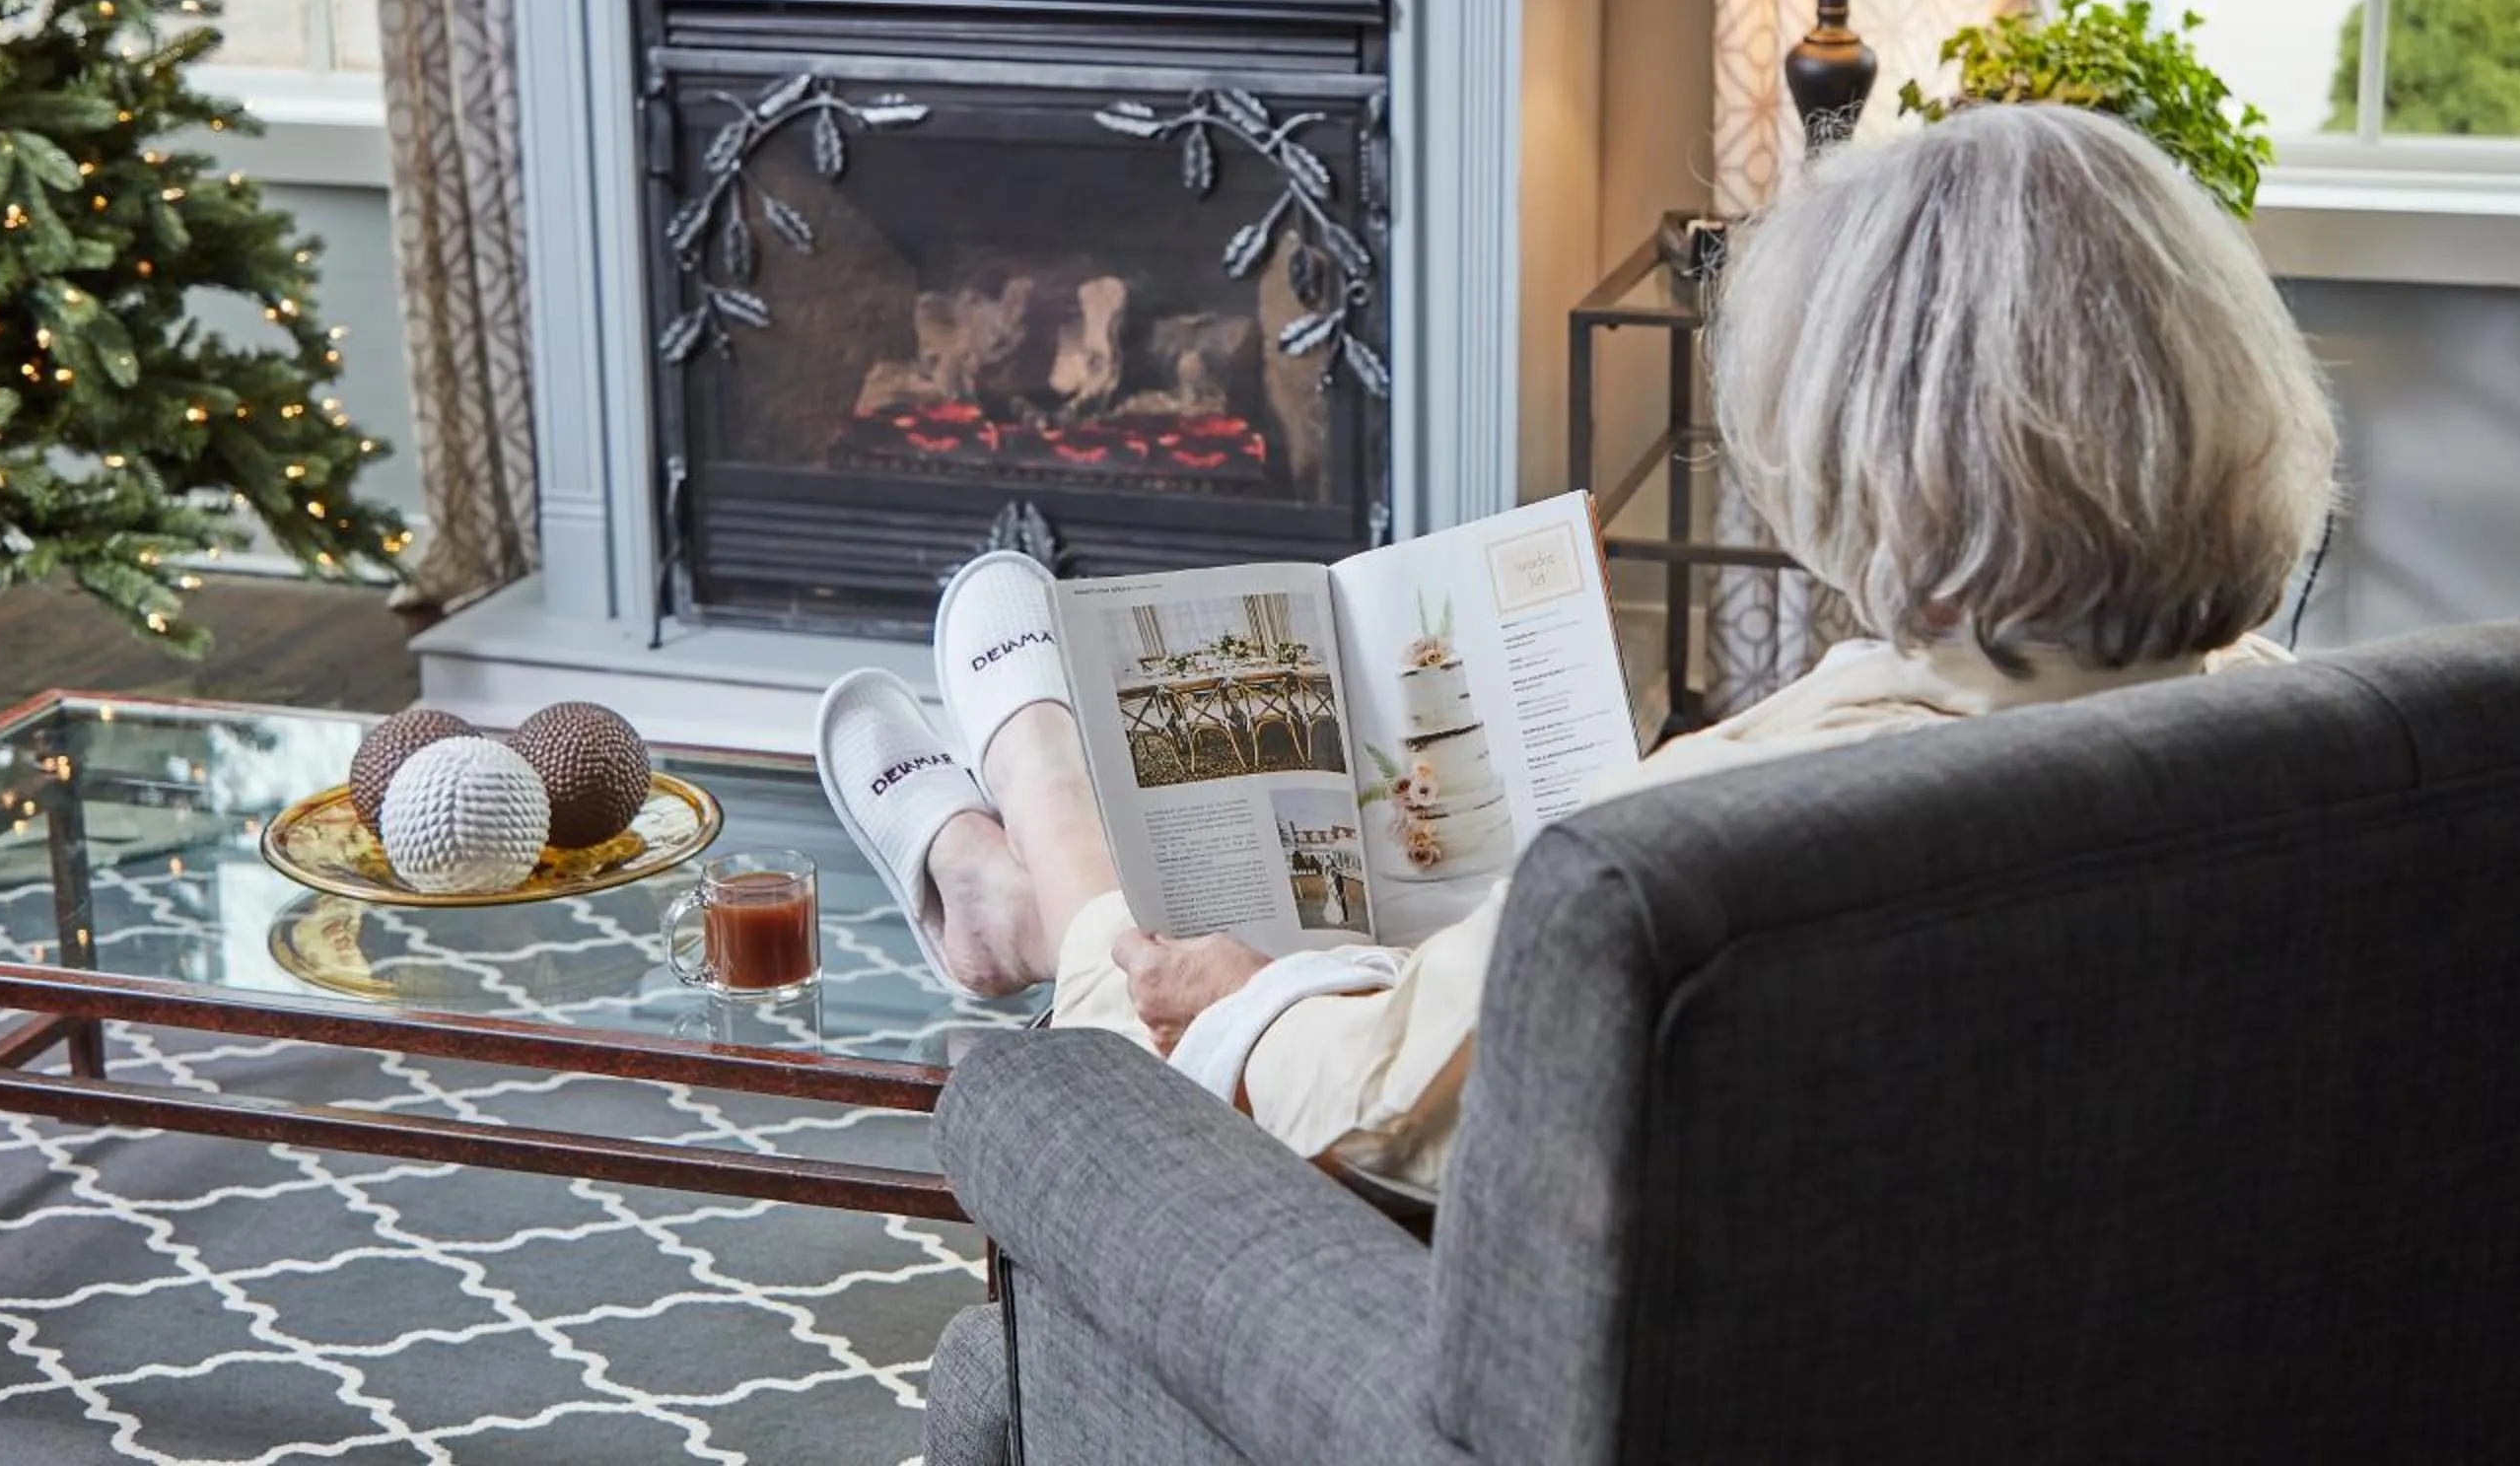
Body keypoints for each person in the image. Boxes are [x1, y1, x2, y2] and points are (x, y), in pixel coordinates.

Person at [815, 104, 2340, 1205]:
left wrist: (1246, 997)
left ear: (1863, 450)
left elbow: (1365, 1112)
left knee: (1143, 995)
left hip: (1446, 1322)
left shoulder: (1722, 863)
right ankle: (1036, 883)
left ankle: (1043, 850)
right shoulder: (2318, 734)